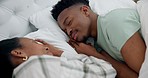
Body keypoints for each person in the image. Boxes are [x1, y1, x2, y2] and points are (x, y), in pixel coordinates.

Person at [51, 0, 146, 77]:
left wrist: (94, 54)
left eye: (69, 22)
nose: (68, 31)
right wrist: (94, 54)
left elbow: (144, 71)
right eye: (64, 31)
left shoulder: (113, 24)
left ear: (85, 11)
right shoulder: (95, 45)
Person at [0, 37, 116, 78]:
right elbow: (106, 71)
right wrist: (60, 53)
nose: (46, 47)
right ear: (18, 53)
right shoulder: (36, 64)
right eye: (36, 42)